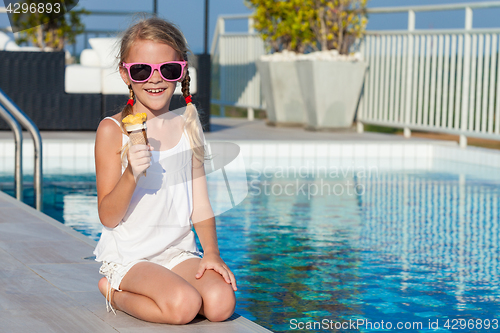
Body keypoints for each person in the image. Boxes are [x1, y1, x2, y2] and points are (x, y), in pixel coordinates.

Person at [93, 16, 237, 325]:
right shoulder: (112, 130)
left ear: (181, 72)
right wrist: (131, 173)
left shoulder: (188, 124)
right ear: (125, 74)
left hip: (176, 253)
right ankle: (113, 291)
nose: (155, 80)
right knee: (184, 306)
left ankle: (170, 287)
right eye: (142, 70)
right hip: (132, 256)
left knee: (221, 304)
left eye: (168, 70)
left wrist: (211, 252)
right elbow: (107, 215)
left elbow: (200, 204)